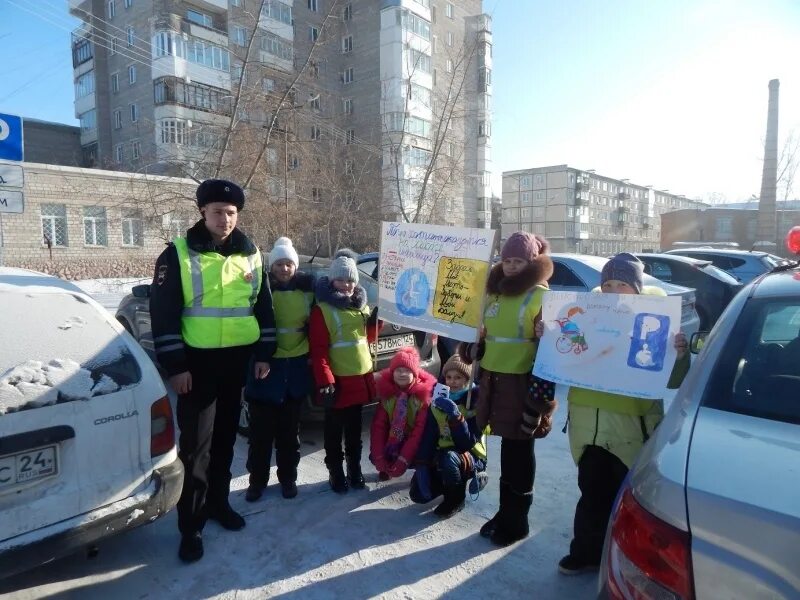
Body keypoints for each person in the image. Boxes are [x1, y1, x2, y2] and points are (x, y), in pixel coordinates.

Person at [149, 179, 276, 563]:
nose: (225, 219)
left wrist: (264, 353)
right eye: (218, 211)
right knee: (196, 448)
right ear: (203, 212)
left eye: (231, 212)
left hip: (236, 362)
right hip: (197, 366)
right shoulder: (177, 254)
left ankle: (219, 505)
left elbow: (263, 307)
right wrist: (176, 366)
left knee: (224, 442)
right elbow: (163, 314)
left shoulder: (251, 253)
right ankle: (191, 525)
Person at [547, 252, 691, 576]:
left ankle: (624, 560)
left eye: (622, 284)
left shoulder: (653, 322)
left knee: (627, 500)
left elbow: (674, 380)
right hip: (587, 426)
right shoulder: (588, 316)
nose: (613, 289)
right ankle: (585, 552)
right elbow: (564, 356)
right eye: (608, 283)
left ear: (637, 289)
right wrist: (549, 338)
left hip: (630, 427)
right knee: (591, 493)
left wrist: (678, 355)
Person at [460, 231, 558, 546]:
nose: (512, 266)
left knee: (519, 450)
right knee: (506, 450)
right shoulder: (495, 294)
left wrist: (548, 333)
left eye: (519, 261)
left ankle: (518, 521)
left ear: (532, 261)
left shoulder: (541, 296)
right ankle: (506, 512)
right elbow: (483, 336)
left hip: (522, 383)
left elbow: (559, 346)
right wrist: (472, 350)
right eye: (508, 260)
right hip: (493, 382)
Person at [244, 237, 314, 502]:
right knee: (260, 435)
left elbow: (334, 304)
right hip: (266, 366)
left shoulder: (308, 291)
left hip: (294, 368)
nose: (284, 269)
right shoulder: (261, 290)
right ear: (271, 266)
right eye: (279, 264)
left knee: (289, 435)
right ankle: (256, 482)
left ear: (295, 266)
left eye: (289, 264)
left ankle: (288, 479)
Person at [309, 249, 380, 493]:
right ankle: (335, 472)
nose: (347, 284)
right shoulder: (323, 310)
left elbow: (365, 339)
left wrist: (375, 323)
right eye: (341, 279)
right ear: (332, 281)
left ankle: (354, 469)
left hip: (360, 378)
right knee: (333, 431)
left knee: (354, 431)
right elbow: (318, 350)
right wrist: (325, 380)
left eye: (351, 280)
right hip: (337, 383)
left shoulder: (361, 307)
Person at [410, 353, 488, 518]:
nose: (452, 382)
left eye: (458, 377)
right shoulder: (438, 400)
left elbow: (467, 443)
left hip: (470, 455)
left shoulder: (475, 403)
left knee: (449, 459)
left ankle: (456, 498)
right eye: (449, 377)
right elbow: (429, 435)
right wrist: (422, 465)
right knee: (417, 494)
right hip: (444, 452)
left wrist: (456, 417)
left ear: (467, 379)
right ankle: (445, 484)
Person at [370, 347, 435, 483]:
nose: (402, 374)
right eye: (399, 370)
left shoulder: (422, 399)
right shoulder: (387, 395)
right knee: (375, 455)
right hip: (396, 436)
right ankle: (387, 464)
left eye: (407, 371)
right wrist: (379, 456)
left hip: (416, 440)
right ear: (392, 373)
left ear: (415, 374)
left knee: (423, 452)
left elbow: (418, 433)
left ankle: (422, 470)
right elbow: (379, 427)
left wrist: (403, 460)